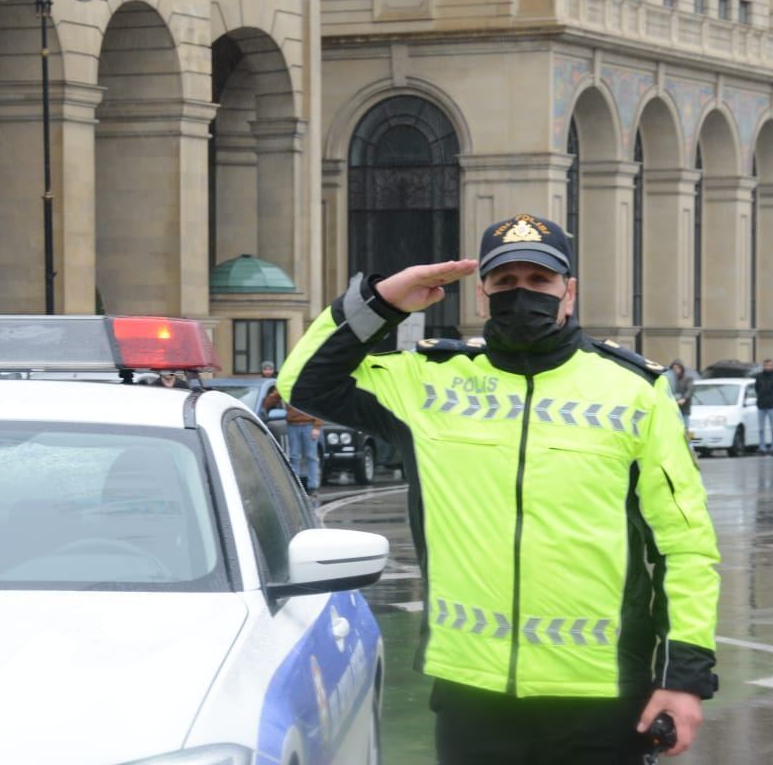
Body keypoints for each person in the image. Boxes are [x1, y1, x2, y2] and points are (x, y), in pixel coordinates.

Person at [278, 214, 719, 764]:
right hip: (472, 695)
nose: (522, 295)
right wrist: (388, 299)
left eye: (540, 281)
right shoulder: (428, 383)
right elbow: (303, 383)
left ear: (569, 292)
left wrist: (684, 677)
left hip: (605, 695)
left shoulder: (634, 390)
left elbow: (686, 545)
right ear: (482, 294)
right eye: (506, 282)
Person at [262, 389, 323, 497]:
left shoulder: (309, 382)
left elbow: (319, 403)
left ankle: (312, 487)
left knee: (311, 457)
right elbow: (271, 401)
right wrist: (269, 399)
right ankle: (297, 488)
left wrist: (317, 426)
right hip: (292, 425)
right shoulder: (287, 384)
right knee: (294, 457)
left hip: (309, 424)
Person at [754, 359, 773, 455]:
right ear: (764, 366)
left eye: (770, 365)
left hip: (772, 406)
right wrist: (760, 397)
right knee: (761, 429)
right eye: (766, 365)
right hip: (761, 405)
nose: (768, 367)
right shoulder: (759, 376)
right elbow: (757, 388)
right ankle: (762, 447)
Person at [669, 360, 694, 429]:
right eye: (674, 368)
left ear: (681, 369)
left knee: (684, 429)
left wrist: (684, 398)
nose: (676, 370)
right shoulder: (670, 379)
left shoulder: (687, 379)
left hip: (684, 409)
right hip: (673, 407)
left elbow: (690, 390)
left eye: (677, 368)